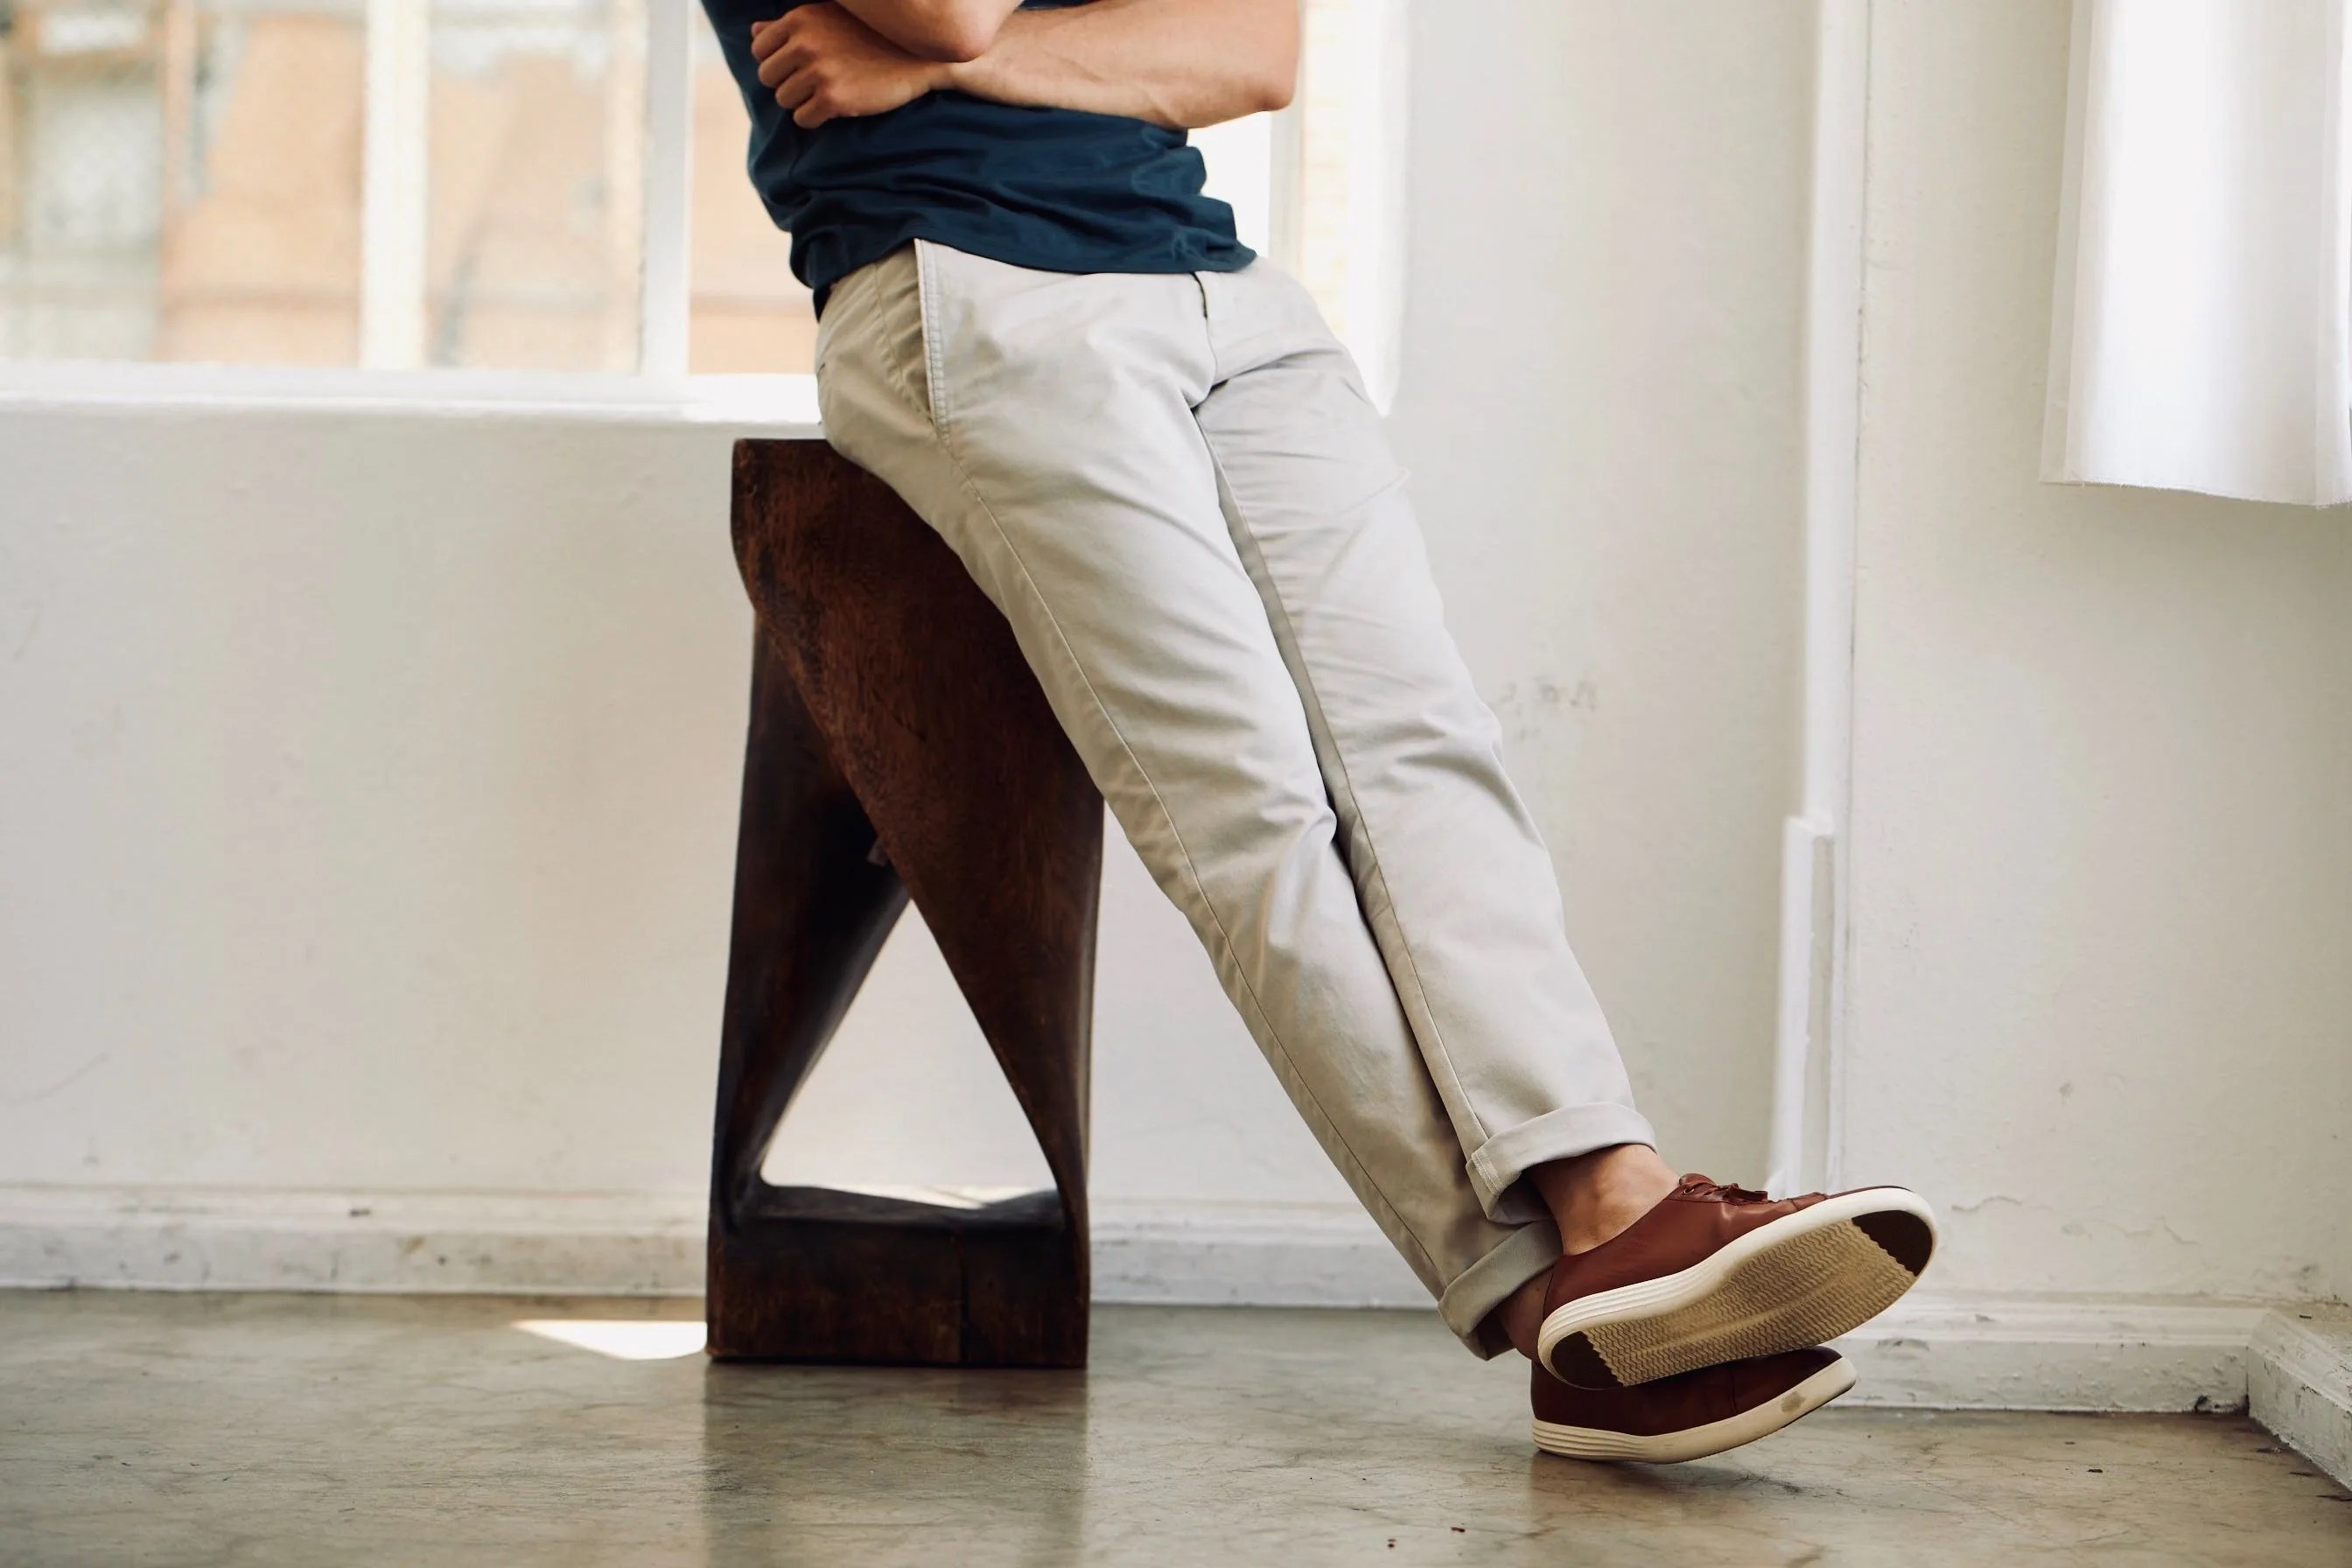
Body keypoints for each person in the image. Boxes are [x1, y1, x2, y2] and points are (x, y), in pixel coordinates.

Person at [704, 0, 1936, 1463]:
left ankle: (1615, 1198)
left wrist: (939, 68)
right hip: (973, 294)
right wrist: (988, 47)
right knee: (1244, 807)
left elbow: (1250, 54)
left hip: (1227, 302)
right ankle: (1550, 1295)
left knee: (1421, 755)